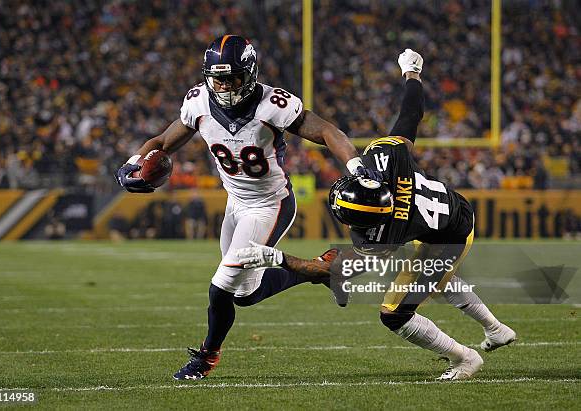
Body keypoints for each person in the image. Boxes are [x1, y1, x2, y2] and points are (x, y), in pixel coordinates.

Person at [236, 49, 516, 381]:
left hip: (449, 236)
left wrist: (277, 257)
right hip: (449, 214)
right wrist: (412, 72)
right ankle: (496, 330)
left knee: (395, 312)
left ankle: (466, 359)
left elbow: (327, 269)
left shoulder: (379, 233)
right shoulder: (388, 158)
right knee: (434, 277)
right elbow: (411, 112)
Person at [116, 35, 377, 380]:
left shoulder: (274, 104)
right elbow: (162, 142)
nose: (223, 86)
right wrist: (134, 162)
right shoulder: (198, 102)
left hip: (270, 204)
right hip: (236, 202)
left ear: (250, 73)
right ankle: (324, 269)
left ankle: (207, 357)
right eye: (217, 78)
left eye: (232, 77)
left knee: (221, 284)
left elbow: (327, 132)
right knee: (244, 294)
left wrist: (355, 165)